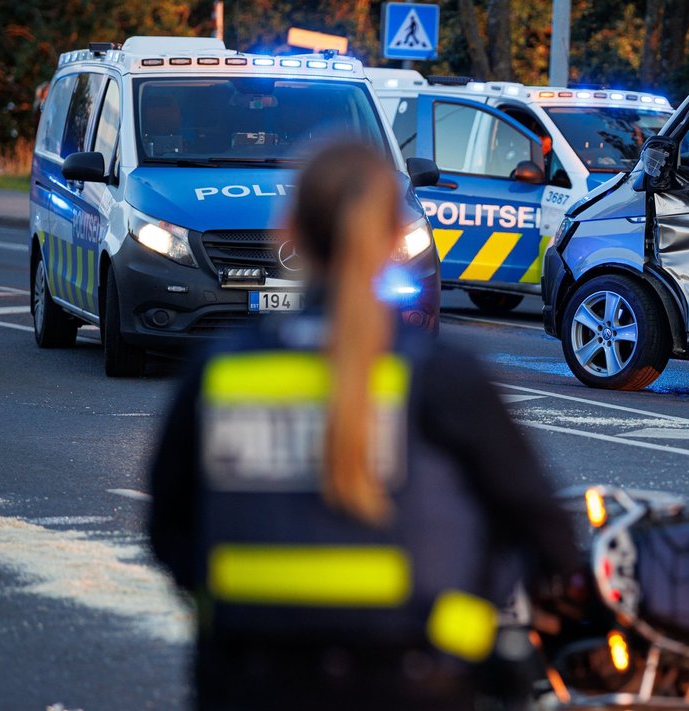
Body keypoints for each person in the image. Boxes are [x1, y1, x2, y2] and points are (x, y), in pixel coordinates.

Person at [148, 141, 576, 710]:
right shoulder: (442, 377)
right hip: (416, 680)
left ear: (290, 234)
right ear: (392, 239)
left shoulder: (220, 370)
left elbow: (168, 527)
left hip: (248, 678)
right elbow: (541, 529)